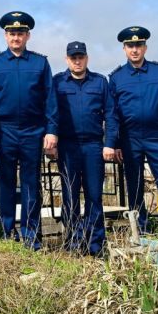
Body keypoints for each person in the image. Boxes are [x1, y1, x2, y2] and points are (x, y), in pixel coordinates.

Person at [0, 11, 58, 249]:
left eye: (20, 33)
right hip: (4, 131)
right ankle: (7, 231)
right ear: (5, 36)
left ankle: (30, 234)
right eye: (12, 33)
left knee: (31, 184)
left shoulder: (40, 63)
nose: (16, 37)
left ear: (28, 36)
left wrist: (51, 130)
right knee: (5, 183)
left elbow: (50, 99)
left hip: (32, 130)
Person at [109, 26, 158, 233]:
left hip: (156, 137)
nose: (135, 49)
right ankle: (140, 231)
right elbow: (112, 114)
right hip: (129, 139)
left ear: (145, 47)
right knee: (134, 186)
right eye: (130, 46)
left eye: (139, 45)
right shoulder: (116, 78)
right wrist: (115, 143)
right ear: (124, 49)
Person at [53, 41, 117, 256]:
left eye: (81, 57)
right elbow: (50, 112)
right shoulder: (57, 82)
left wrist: (110, 143)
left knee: (94, 195)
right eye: (73, 58)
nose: (77, 61)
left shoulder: (100, 82)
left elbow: (111, 114)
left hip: (93, 146)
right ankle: (73, 242)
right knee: (70, 196)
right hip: (67, 146)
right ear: (67, 59)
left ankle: (95, 244)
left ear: (87, 58)